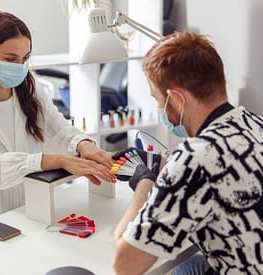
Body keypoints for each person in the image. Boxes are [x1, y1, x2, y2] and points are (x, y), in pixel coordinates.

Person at [0, 10, 115, 238]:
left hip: (27, 210)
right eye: (11, 59)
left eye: (25, 59)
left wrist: (85, 145)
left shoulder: (31, 93)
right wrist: (61, 160)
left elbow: (59, 128)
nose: (20, 66)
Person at [112, 31, 263, 274]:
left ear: (176, 99)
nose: (159, 107)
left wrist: (145, 182)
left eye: (157, 98)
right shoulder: (255, 122)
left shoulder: (194, 158)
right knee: (187, 264)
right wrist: (162, 164)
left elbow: (124, 264)